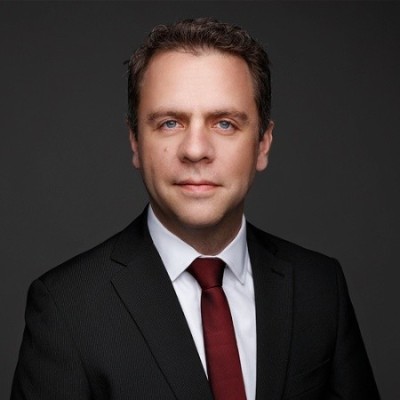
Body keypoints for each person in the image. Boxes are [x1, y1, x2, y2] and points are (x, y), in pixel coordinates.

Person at [11, 18, 380, 400]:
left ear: (263, 144)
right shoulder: (67, 308)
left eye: (225, 124)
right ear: (135, 141)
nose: (195, 150)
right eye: (170, 123)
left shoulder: (320, 287)